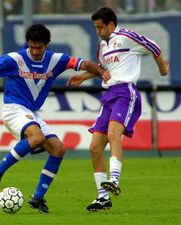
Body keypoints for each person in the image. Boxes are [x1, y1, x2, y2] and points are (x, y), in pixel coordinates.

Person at [0, 23, 109, 213]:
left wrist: (101, 73)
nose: (35, 51)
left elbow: (85, 64)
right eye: (31, 46)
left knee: (58, 149)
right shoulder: (15, 59)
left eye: (39, 47)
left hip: (32, 113)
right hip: (13, 109)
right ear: (27, 44)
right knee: (37, 138)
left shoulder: (56, 60)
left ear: (46, 45)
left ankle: (38, 198)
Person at [67, 6, 169, 212]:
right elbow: (104, 69)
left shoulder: (126, 36)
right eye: (95, 27)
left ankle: (114, 180)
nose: (98, 31)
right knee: (95, 147)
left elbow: (154, 47)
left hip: (125, 92)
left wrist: (162, 68)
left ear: (111, 24)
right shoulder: (102, 46)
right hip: (109, 96)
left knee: (114, 134)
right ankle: (103, 197)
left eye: (100, 27)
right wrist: (82, 77)